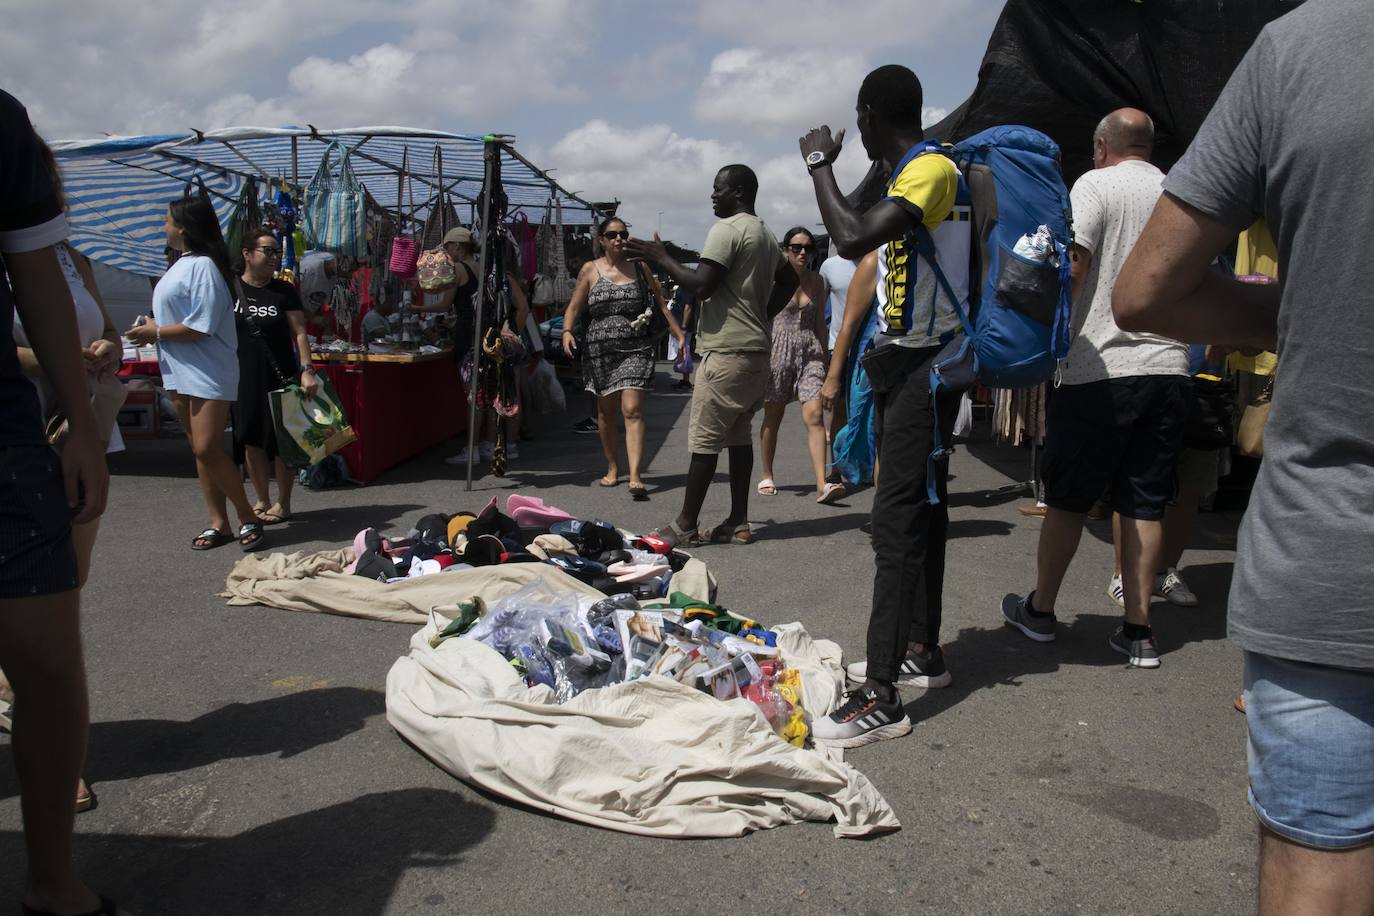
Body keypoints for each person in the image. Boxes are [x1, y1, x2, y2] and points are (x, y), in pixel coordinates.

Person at [1113, 2, 1374, 908]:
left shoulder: (1306, 48)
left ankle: (1131, 612)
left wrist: (1294, 318)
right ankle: (1141, 613)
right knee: (1170, 483)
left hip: (1334, 555)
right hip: (1192, 408)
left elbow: (1142, 290)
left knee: (1320, 863)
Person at [799, 65, 971, 746]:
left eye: (859, 118)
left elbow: (847, 237)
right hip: (914, 363)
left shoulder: (929, 169)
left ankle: (881, 698)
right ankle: (922, 650)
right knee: (923, 510)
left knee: (895, 522)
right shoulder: (915, 175)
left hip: (927, 366)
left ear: (870, 115)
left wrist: (818, 165)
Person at [1000, 109, 1188, 671]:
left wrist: (1040, 327)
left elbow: (1073, 265)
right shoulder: (1180, 190)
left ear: (1102, 145)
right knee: (1143, 503)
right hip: (1168, 366)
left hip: (1098, 367)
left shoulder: (1094, 184)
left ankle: (1040, 611)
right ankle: (1138, 631)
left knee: (1066, 499)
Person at [0, 87, 126, 916]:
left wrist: (82, 419)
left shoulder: (0, 127)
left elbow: (36, 276)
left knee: (50, 646)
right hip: (32, 405)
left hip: (17, 437)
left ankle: (52, 879)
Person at [625, 164, 796, 546]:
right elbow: (790, 280)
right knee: (738, 436)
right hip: (755, 353)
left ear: (737, 192)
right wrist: (762, 314)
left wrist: (661, 256)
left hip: (726, 353)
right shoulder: (764, 232)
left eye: (718, 189)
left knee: (704, 440)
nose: (712, 195)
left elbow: (700, 285)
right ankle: (738, 520)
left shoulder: (728, 229)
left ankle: (686, 523)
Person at [126, 196, 265, 552]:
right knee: (200, 451)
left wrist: (153, 332)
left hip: (207, 369)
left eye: (167, 220)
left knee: (206, 447)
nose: (163, 226)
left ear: (183, 226)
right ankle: (218, 522)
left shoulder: (202, 266)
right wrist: (153, 326)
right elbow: (183, 321)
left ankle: (248, 515)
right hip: (179, 368)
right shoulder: (182, 265)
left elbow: (200, 326)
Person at [560, 217, 685, 500]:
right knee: (605, 413)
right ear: (602, 240)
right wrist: (567, 330)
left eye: (623, 234)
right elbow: (575, 307)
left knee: (633, 409)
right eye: (612, 234)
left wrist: (679, 334)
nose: (619, 238)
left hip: (636, 347)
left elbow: (661, 304)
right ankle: (613, 466)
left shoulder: (640, 268)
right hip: (600, 352)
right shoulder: (590, 270)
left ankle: (636, 475)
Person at [232, 227, 318, 525]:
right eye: (267, 251)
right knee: (251, 440)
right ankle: (261, 499)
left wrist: (307, 370)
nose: (274, 257)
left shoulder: (284, 291)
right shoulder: (232, 290)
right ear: (246, 254)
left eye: (275, 251)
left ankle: (283, 502)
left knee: (283, 442)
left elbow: (300, 332)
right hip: (242, 378)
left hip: (281, 376)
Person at [757, 226, 843, 504]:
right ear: (785, 250)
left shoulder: (818, 282)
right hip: (777, 352)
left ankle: (822, 484)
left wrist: (828, 361)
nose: (803, 252)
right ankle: (767, 473)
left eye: (807, 247)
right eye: (796, 247)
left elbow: (820, 322)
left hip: (811, 353)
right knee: (774, 416)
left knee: (815, 416)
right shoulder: (771, 281)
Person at [818, 250, 859, 476]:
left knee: (868, 412)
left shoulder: (882, 257)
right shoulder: (830, 266)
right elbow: (818, 309)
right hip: (838, 347)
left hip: (873, 346)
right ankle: (836, 467)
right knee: (838, 410)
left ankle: (867, 466)